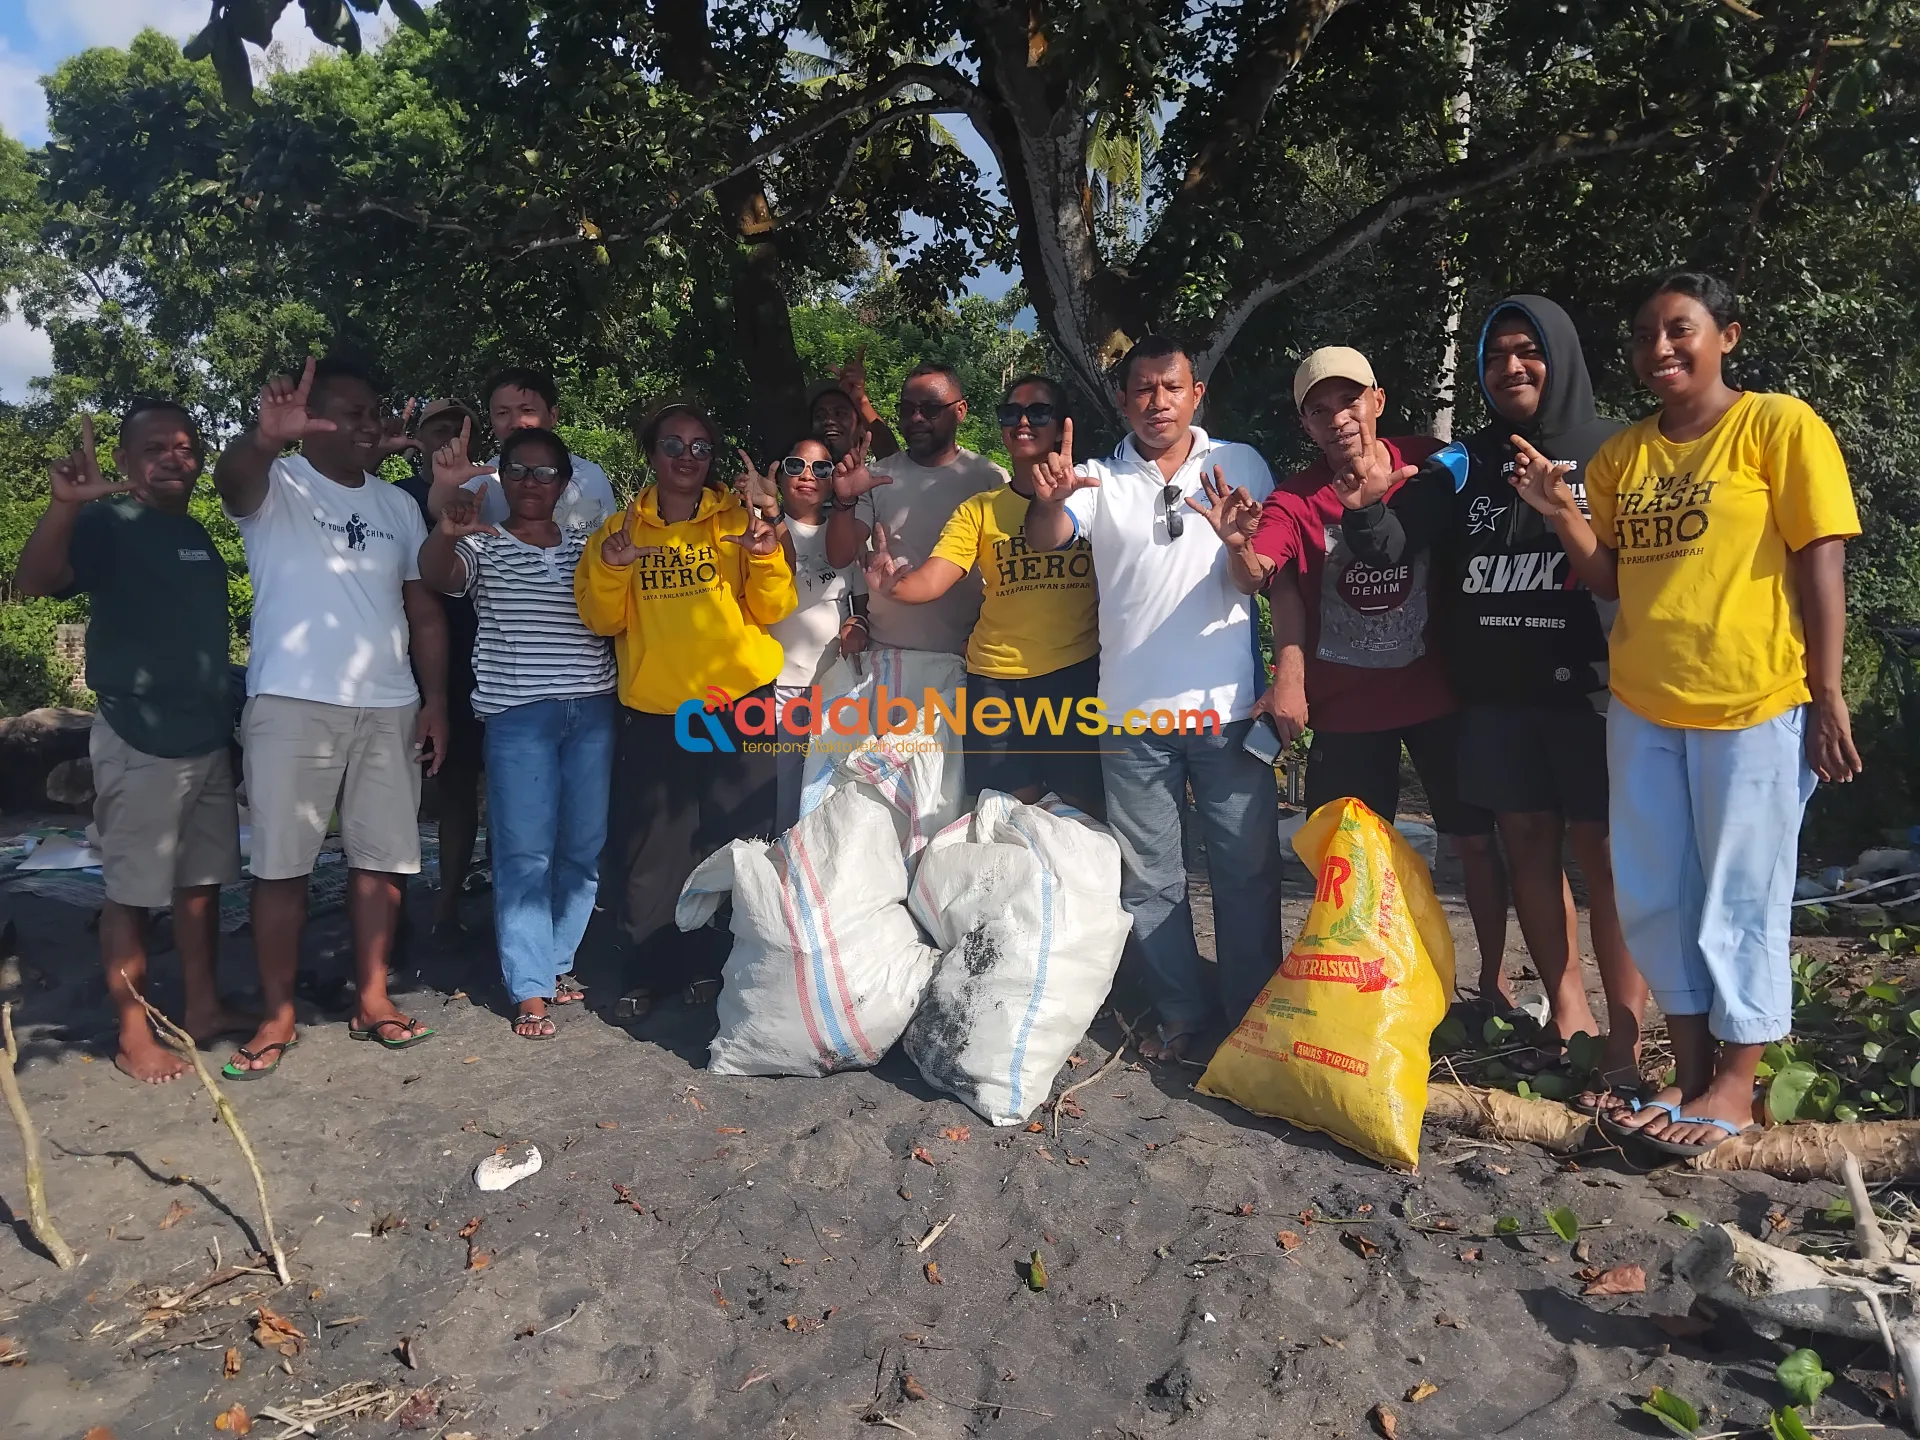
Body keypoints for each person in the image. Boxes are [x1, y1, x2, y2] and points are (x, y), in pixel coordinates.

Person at [1511, 272, 1859, 1155]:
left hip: (1755, 703)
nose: (1658, 349)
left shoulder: (1777, 426)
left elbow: (1821, 561)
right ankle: (1693, 1071)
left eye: (1680, 330)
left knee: (1741, 895)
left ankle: (1739, 1084)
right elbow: (1611, 580)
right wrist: (1561, 514)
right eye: (1642, 336)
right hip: (1643, 707)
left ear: (1727, 336)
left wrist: (1828, 695)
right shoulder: (1623, 456)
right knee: (1658, 895)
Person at [1337, 298, 1648, 1092]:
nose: (1510, 367)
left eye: (1527, 351)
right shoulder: (1463, 461)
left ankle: (1629, 1032)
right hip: (1497, 699)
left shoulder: (1618, 446)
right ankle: (1567, 1015)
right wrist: (1368, 505)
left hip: (1595, 695)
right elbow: (1400, 534)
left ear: (1563, 355)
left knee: (1606, 861)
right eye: (1495, 355)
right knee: (1531, 855)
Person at [1024, 336, 1282, 1062]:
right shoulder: (1099, 479)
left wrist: (1236, 543)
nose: (1157, 402)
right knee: (1151, 882)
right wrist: (1048, 502)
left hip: (1226, 712)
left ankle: (1252, 1014)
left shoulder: (1241, 464)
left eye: (1171, 387)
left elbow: (1258, 577)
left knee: (1246, 872)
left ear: (1196, 394)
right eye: (1142, 389)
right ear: (1123, 399)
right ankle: (1180, 1013)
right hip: (1131, 719)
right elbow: (1050, 539)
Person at [1231, 348, 1512, 1004]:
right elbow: (1261, 574)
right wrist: (1240, 546)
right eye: (1319, 410)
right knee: (1350, 866)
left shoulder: (1431, 462)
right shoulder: (1295, 501)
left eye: (1349, 401)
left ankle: (1492, 984)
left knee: (1474, 844)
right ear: (1306, 425)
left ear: (1377, 402)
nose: (1339, 420)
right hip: (1347, 710)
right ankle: (1364, 994)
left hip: (1440, 696)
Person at [212, 356, 449, 1078]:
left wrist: (434, 699)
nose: (366, 423)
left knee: (384, 861)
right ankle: (277, 1013)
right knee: (282, 865)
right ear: (310, 422)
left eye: (373, 411)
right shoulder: (277, 483)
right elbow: (231, 481)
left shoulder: (399, 507)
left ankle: (374, 998)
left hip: (388, 704)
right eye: (347, 411)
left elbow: (424, 613)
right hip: (291, 702)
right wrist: (264, 437)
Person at [14, 404, 252, 1083]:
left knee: (202, 886)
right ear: (122, 460)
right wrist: (63, 506)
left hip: (205, 736)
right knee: (132, 892)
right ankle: (132, 1032)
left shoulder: (198, 533)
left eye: (186, 445)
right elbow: (32, 582)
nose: (175, 456)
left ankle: (201, 1009)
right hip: (140, 738)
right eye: (156, 446)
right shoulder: (104, 522)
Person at [576, 401, 794, 1021]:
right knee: (655, 849)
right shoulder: (619, 533)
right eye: (673, 446)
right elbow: (599, 618)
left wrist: (764, 550)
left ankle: (720, 966)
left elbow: (773, 608)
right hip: (658, 711)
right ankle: (648, 969)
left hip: (740, 703)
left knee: (737, 840)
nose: (687, 459)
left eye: (700, 448)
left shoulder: (739, 521)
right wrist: (616, 570)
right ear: (651, 454)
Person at [418, 427, 617, 1040]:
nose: (532, 482)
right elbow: (436, 577)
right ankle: (529, 986)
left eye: (545, 472)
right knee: (525, 852)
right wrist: (445, 532)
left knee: (583, 848)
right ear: (503, 478)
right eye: (520, 471)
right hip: (519, 718)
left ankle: (557, 962)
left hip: (594, 712)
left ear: (565, 483)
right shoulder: (484, 543)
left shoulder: (593, 544)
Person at [866, 374, 1103, 812]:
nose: (1024, 422)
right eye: (1011, 413)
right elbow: (935, 577)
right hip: (995, 680)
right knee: (1006, 811)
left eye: (1039, 412)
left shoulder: (1094, 497)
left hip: (1074, 673)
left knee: (1082, 809)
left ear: (1062, 424)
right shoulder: (980, 508)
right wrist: (894, 586)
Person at [823, 363, 1010, 662]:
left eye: (931, 409)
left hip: (965, 659)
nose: (917, 418)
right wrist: (844, 501)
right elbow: (840, 556)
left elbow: (1008, 572)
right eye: (907, 409)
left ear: (960, 410)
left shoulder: (990, 479)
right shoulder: (877, 476)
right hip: (886, 656)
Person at [394, 399, 486, 943]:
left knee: (459, 790)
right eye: (437, 428)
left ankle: (448, 907)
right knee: (396, 794)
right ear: (418, 439)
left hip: (474, 663)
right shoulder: (394, 498)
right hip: (400, 663)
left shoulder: (488, 495)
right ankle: (394, 914)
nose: (449, 436)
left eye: (458, 427)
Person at [744, 436, 869, 832]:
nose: (808, 476)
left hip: (833, 687)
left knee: (825, 791)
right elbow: (780, 571)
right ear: (779, 476)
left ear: (835, 480)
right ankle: (775, 880)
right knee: (778, 796)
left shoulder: (846, 530)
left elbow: (862, 603)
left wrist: (859, 625)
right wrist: (771, 513)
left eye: (822, 468)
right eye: (796, 466)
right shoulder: (755, 528)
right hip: (776, 686)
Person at [444, 367, 618, 532]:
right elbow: (448, 509)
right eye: (502, 413)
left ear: (553, 415)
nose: (516, 423)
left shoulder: (592, 475)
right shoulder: (485, 478)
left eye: (527, 410)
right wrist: (447, 486)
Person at [808, 347, 899, 461]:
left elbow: (894, 459)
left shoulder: (877, 475)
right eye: (820, 416)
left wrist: (860, 401)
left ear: (861, 429)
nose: (829, 421)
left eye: (840, 413)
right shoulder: (799, 474)